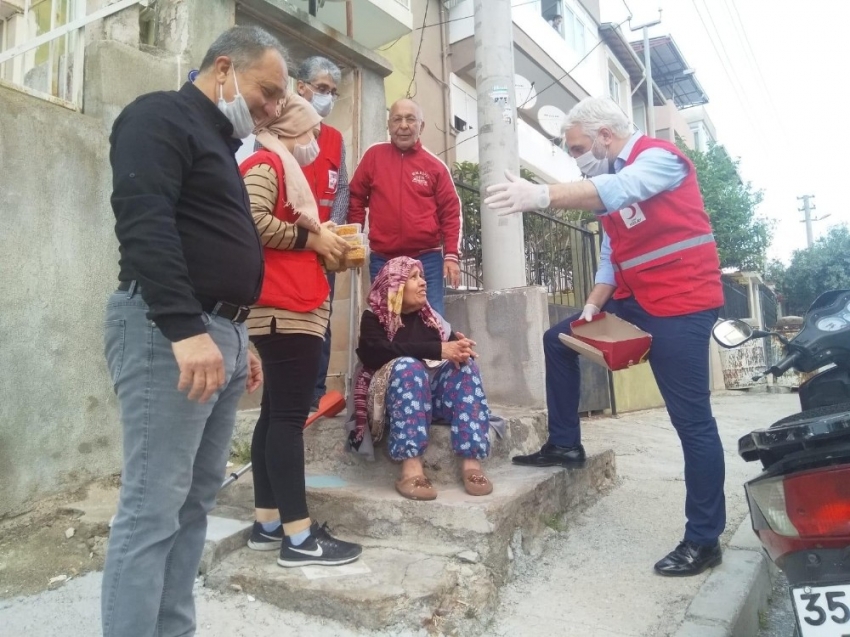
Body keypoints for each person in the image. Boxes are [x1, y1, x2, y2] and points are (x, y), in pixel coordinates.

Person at [485, 96, 726, 578]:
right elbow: (611, 256)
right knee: (559, 339)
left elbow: (621, 188)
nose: (575, 157)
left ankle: (704, 539)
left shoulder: (658, 159)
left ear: (606, 137)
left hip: (682, 303)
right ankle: (566, 444)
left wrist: (544, 195)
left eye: (577, 148)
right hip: (634, 298)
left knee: (691, 422)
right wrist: (593, 305)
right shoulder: (611, 182)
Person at [102, 26, 286, 637]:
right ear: (225, 68)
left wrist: (240, 337)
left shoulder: (220, 143)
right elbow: (144, 218)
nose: (274, 106)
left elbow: (213, 242)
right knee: (153, 508)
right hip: (170, 333)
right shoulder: (159, 116)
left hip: (220, 336)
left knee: (192, 506)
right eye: (268, 90)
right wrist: (186, 329)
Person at [239, 92, 362, 567]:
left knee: (274, 417)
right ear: (290, 130)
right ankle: (299, 538)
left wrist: (325, 243)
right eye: (311, 131)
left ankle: (268, 523)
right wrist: (315, 238)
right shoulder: (268, 164)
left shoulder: (276, 164)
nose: (317, 140)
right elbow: (252, 222)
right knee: (287, 421)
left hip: (289, 305)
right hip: (286, 308)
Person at [352, 256, 492, 500]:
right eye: (413, 278)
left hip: (429, 402)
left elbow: (445, 350)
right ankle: (411, 469)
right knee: (408, 367)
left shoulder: (430, 319)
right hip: (390, 405)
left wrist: (458, 348)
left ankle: (472, 465)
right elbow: (375, 353)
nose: (423, 283)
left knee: (465, 368)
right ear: (395, 286)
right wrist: (438, 349)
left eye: (422, 277)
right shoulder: (374, 317)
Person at [349, 99, 462, 316]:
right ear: (389, 125)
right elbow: (355, 197)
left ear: (421, 126)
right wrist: (355, 239)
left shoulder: (435, 166)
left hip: (426, 260)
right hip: (384, 259)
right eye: (397, 119)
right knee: (386, 321)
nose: (403, 125)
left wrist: (451, 255)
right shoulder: (373, 156)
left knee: (432, 322)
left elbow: (451, 213)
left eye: (411, 119)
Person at [293, 55, 350, 411]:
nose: (327, 96)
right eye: (321, 88)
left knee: (322, 321)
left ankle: (315, 393)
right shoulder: (277, 129)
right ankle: (290, 393)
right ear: (301, 87)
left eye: (332, 91)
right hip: (290, 243)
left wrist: (334, 233)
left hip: (325, 250)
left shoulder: (335, 138)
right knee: (290, 322)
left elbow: (341, 187)